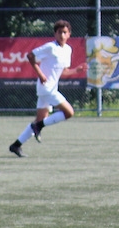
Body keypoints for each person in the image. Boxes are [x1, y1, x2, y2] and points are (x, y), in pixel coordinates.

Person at [9, 20, 87, 158]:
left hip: (51, 88)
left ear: (69, 34)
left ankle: (16, 145)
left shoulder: (68, 49)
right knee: (69, 112)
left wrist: (76, 70)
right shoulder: (50, 47)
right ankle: (38, 126)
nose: (62, 35)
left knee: (40, 119)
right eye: (59, 32)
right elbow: (30, 56)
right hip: (46, 88)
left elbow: (63, 71)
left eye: (64, 32)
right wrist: (40, 74)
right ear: (55, 34)